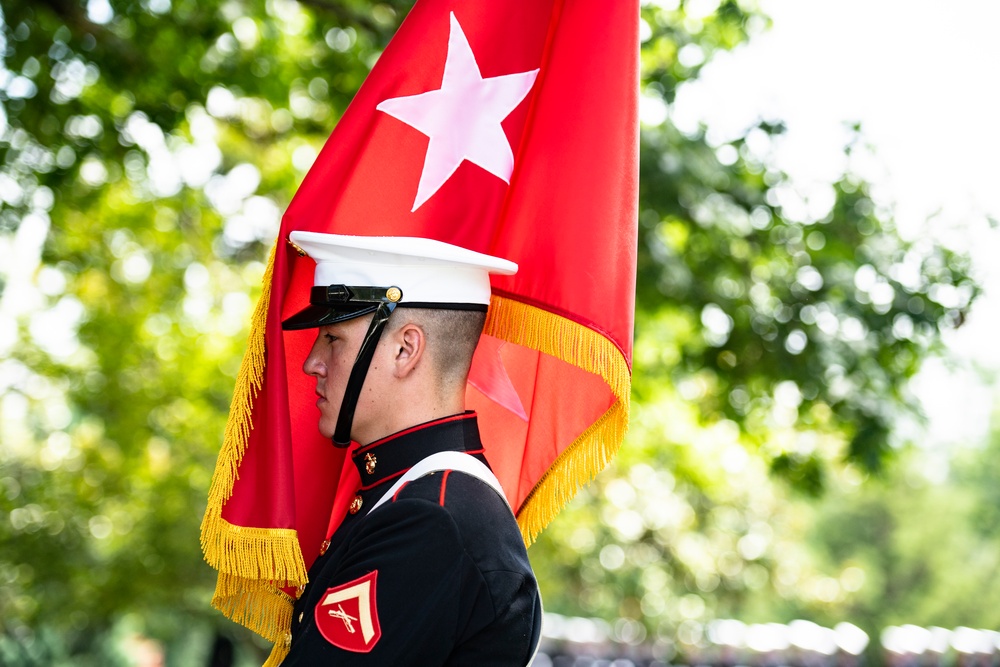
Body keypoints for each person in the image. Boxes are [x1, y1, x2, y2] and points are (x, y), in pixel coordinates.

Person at [279, 231, 542, 665]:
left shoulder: (429, 518)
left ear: (406, 349)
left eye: (333, 338)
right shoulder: (422, 499)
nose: (312, 363)